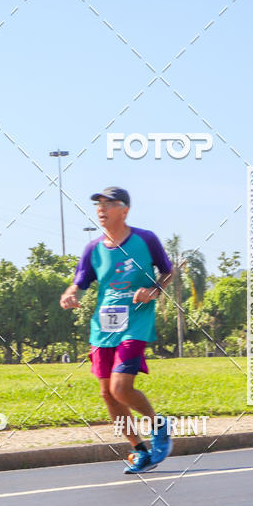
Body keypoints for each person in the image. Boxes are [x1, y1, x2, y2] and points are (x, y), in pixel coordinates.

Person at [60, 186, 174, 474]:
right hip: (104, 325)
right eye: (98, 203)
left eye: (108, 203)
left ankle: (159, 425)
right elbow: (81, 280)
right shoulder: (93, 248)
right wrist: (70, 294)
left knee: (121, 387)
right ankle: (138, 449)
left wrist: (154, 291)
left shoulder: (145, 239)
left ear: (124, 210)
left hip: (135, 321)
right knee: (108, 395)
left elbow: (168, 270)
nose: (101, 208)